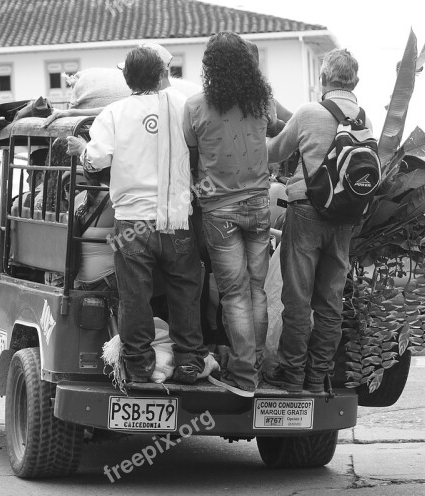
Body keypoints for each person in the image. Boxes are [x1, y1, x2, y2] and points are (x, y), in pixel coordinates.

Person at [66, 46, 206, 384]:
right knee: (186, 290)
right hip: (177, 218)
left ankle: (140, 366)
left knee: (134, 296)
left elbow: (96, 161)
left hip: (132, 224)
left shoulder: (113, 113)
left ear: (127, 79)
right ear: (163, 75)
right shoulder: (186, 107)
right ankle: (188, 363)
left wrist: (82, 149)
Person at [263, 48, 368, 393]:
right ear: (355, 81)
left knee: (298, 299)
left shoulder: (309, 111)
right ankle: (318, 377)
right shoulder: (364, 119)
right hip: (344, 219)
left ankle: (292, 376)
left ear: (323, 79)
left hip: (306, 211)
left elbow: (275, 151)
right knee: (330, 303)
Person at [183, 31, 278, 397]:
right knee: (257, 292)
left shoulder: (193, 106)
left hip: (218, 208)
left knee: (234, 294)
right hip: (258, 203)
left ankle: (243, 378)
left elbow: (191, 158)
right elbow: (272, 130)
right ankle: (253, 368)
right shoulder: (262, 102)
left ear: (209, 67)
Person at [42, 43, 201, 127]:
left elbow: (96, 158)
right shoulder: (185, 103)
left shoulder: (125, 108)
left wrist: (71, 115)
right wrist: (72, 113)